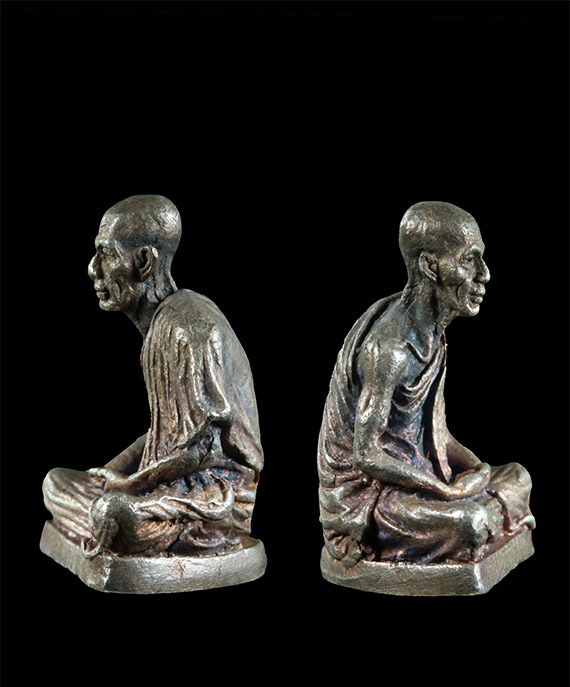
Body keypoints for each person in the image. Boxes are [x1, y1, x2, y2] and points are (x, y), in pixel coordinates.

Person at [43, 195, 263, 558]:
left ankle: (122, 526)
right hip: (163, 479)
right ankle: (112, 519)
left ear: (144, 261)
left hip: (211, 493)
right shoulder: (160, 328)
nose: (93, 269)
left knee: (110, 513)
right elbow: (166, 432)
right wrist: (109, 472)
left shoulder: (189, 330)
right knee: (56, 481)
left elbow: (202, 450)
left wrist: (129, 485)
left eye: (106, 254)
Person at [317, 201, 534, 565]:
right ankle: (477, 525)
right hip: (375, 495)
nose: (484, 274)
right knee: (471, 521)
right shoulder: (389, 350)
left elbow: (436, 434)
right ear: (430, 267)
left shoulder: (432, 335)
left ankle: (479, 522)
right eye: (469, 260)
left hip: (423, 474)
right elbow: (366, 455)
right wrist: (443, 491)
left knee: (518, 476)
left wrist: (476, 468)